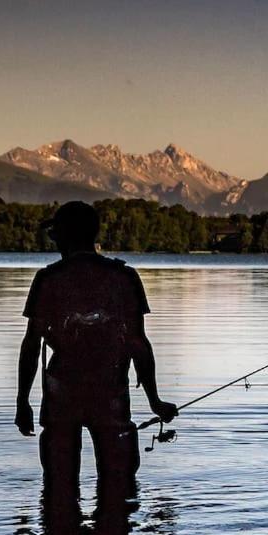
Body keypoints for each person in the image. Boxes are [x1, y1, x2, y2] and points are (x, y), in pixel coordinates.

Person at [15, 201, 177, 493]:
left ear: (64, 235)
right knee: (120, 490)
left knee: (58, 491)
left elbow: (31, 344)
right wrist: (155, 400)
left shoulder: (48, 280)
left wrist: (22, 401)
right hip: (111, 393)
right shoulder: (124, 278)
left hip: (61, 395)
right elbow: (138, 343)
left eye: (55, 234)